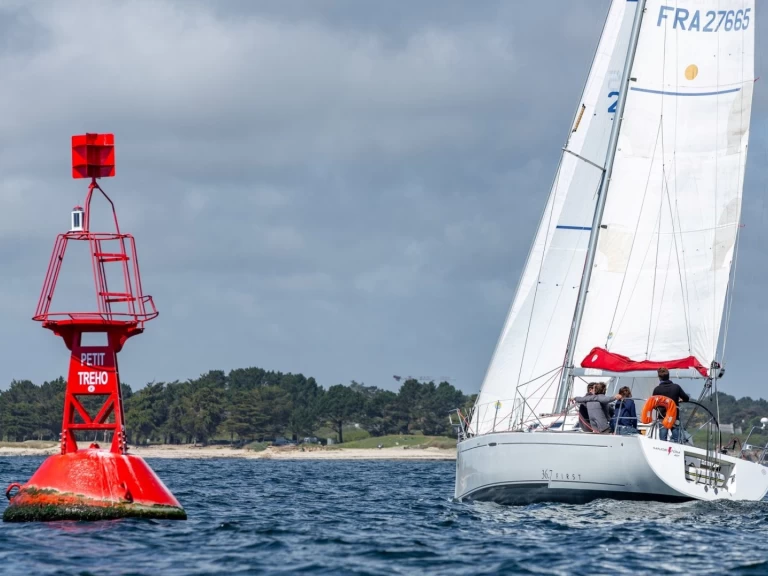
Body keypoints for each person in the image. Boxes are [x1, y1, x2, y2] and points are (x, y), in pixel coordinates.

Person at [652, 367, 689, 443]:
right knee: (676, 440)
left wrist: (659, 408)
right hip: (674, 416)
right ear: (669, 376)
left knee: (663, 440)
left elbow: (653, 404)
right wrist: (680, 400)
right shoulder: (676, 387)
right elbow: (686, 398)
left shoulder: (657, 389)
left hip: (662, 416)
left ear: (659, 377)